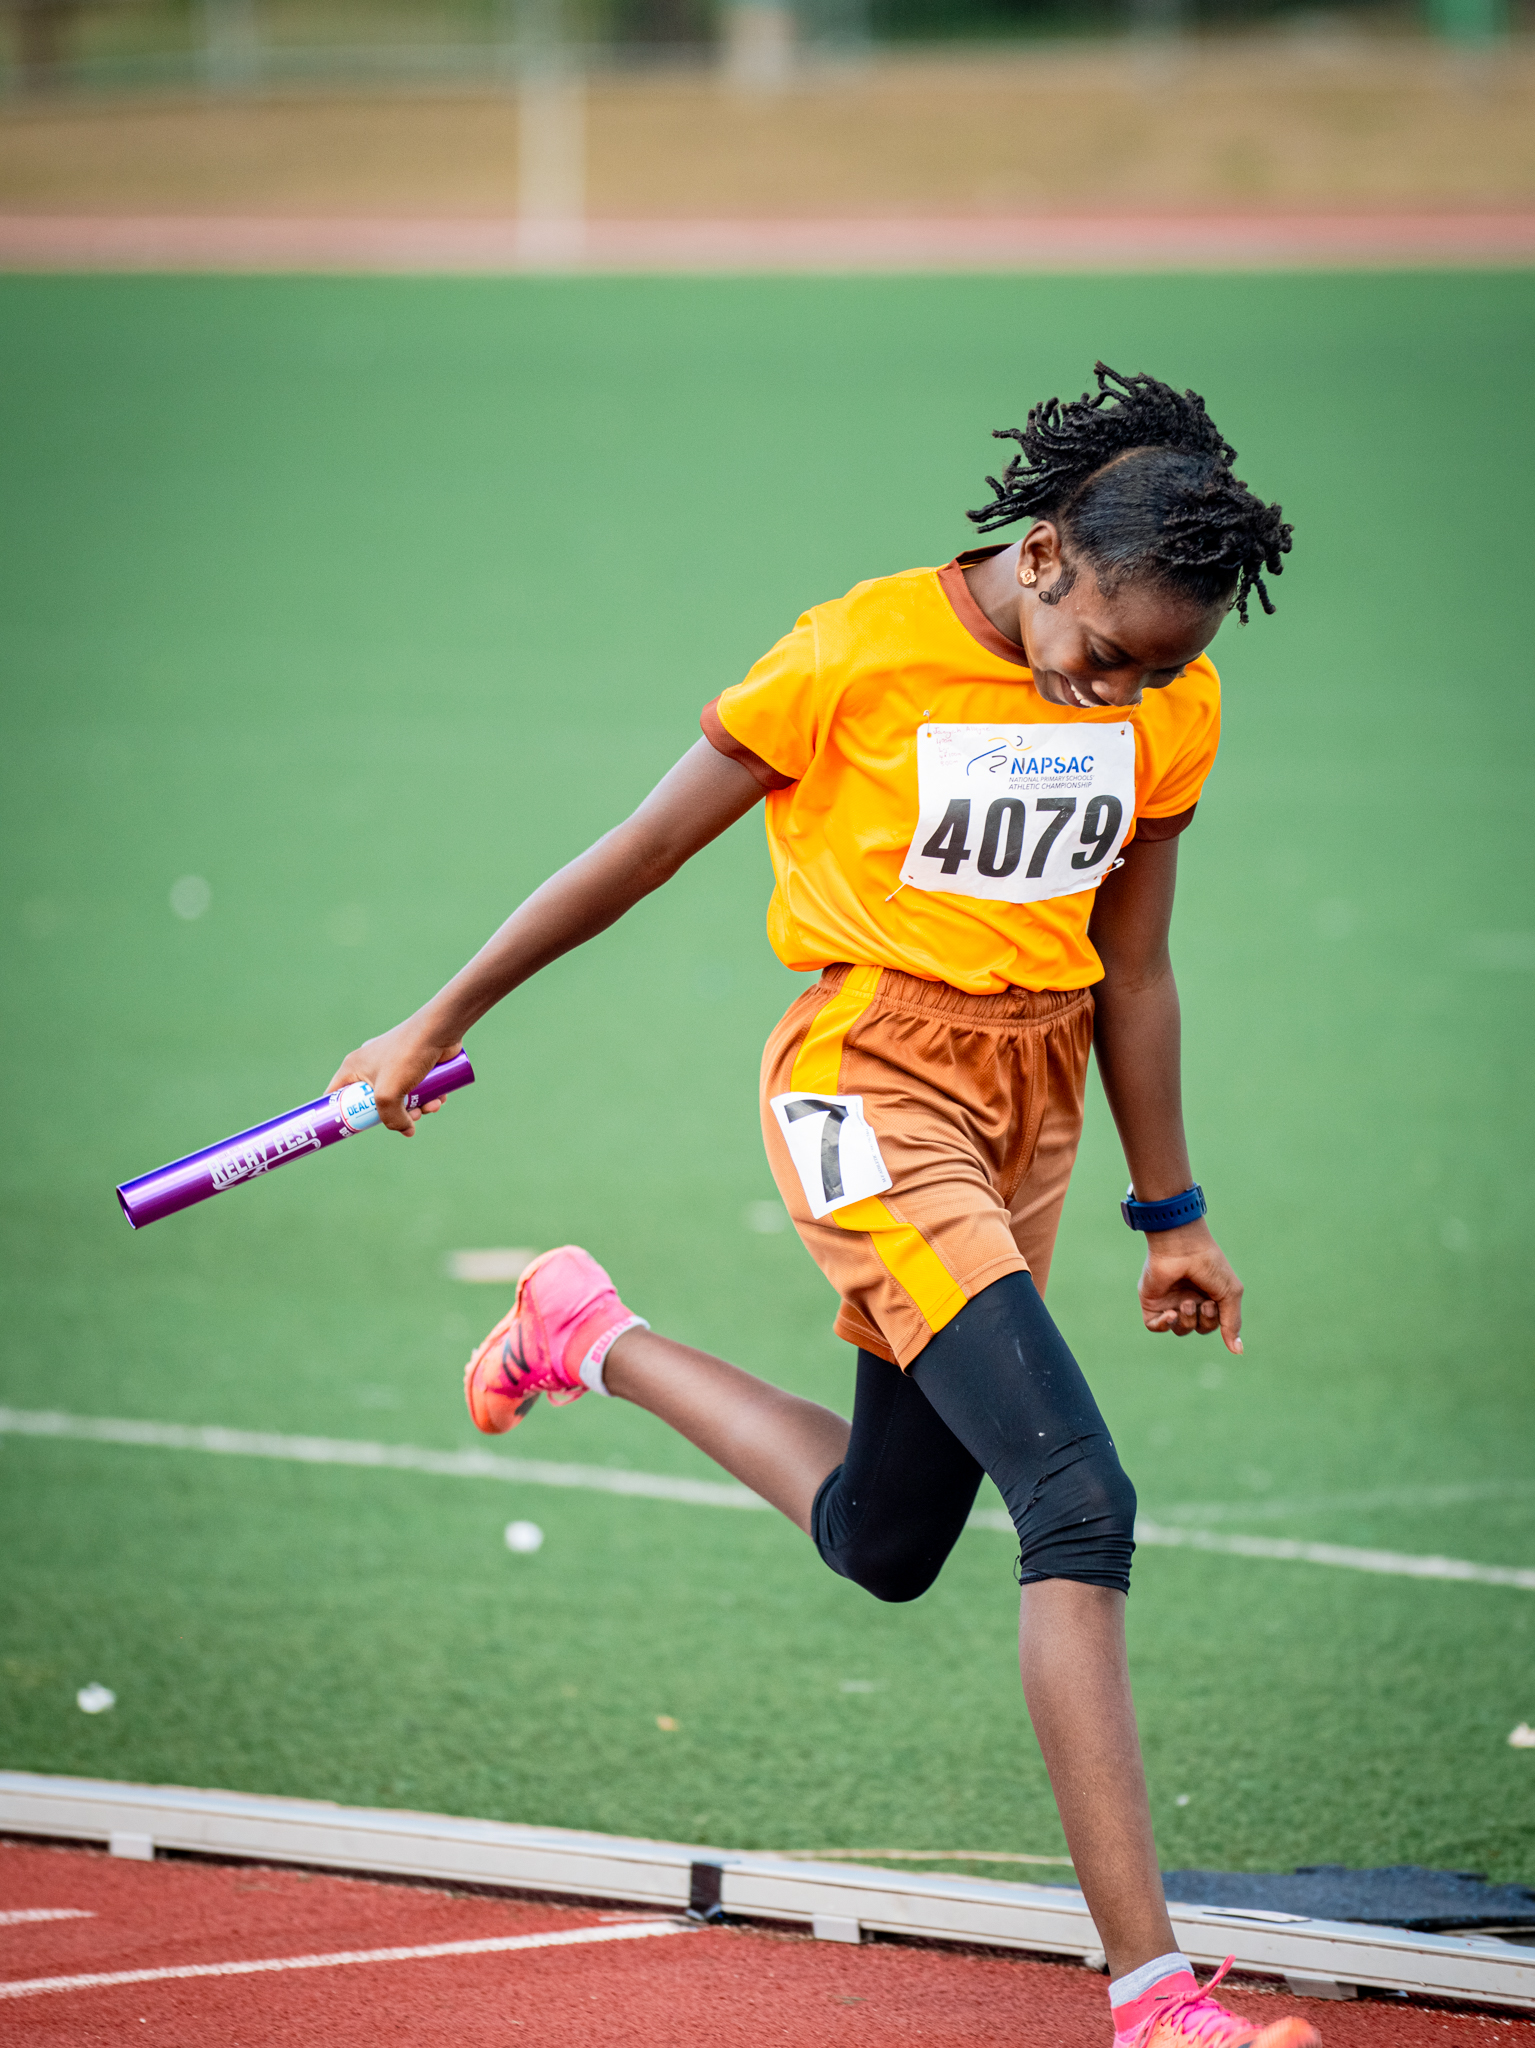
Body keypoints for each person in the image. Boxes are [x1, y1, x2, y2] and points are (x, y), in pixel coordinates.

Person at [329, 364, 1311, 2048]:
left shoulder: (1172, 700)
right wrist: (439, 1016)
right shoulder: (853, 653)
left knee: (890, 1538)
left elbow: (1134, 967)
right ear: (1044, 552)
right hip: (868, 1086)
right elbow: (643, 848)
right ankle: (1154, 1998)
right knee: (1077, 1500)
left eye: (1158, 673)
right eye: (1106, 652)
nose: (1121, 694)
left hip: (1032, 1107)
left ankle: (584, 1331)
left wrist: (1172, 1212)